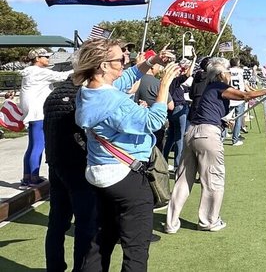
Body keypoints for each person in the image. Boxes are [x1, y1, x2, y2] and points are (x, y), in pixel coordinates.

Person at [74, 38, 178, 272]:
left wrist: (153, 61)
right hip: (126, 176)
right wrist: (164, 87)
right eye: (120, 59)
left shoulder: (88, 91)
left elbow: (128, 78)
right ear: (103, 65)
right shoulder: (114, 100)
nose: (125, 62)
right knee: (136, 248)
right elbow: (153, 121)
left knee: (101, 240)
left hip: (99, 172)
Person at [164, 57, 266, 234]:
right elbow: (245, 96)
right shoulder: (219, 86)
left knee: (182, 180)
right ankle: (209, 221)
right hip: (207, 136)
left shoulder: (209, 90)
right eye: (227, 72)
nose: (229, 75)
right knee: (213, 180)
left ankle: (171, 223)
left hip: (192, 132)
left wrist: (223, 121)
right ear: (220, 74)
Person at [43, 76, 97, 271]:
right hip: (76, 163)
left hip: (56, 161)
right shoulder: (82, 95)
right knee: (85, 223)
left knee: (57, 221)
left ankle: (54, 266)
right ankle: (80, 268)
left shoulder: (52, 95)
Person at [20, 48, 73, 187]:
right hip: (38, 112)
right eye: (46, 56)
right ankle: (33, 177)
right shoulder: (39, 72)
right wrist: (79, 68)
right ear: (38, 58)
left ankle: (27, 176)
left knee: (32, 145)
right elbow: (62, 76)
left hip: (31, 113)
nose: (48, 59)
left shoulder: (30, 72)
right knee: (38, 145)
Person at [134, 50, 175, 153]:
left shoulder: (134, 80)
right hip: (154, 126)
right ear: (152, 66)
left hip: (135, 125)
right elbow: (171, 106)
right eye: (158, 65)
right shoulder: (158, 83)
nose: (159, 67)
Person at [163, 58, 195, 170]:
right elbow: (187, 75)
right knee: (179, 137)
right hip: (178, 108)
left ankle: (164, 160)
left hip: (171, 111)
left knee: (171, 137)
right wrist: (193, 61)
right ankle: (178, 163)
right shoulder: (174, 81)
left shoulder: (166, 82)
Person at [227, 58, 249, 146]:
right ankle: (235, 139)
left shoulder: (227, 71)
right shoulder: (242, 72)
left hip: (229, 96)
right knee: (238, 118)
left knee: (225, 118)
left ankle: (222, 136)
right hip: (239, 97)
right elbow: (246, 83)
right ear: (238, 63)